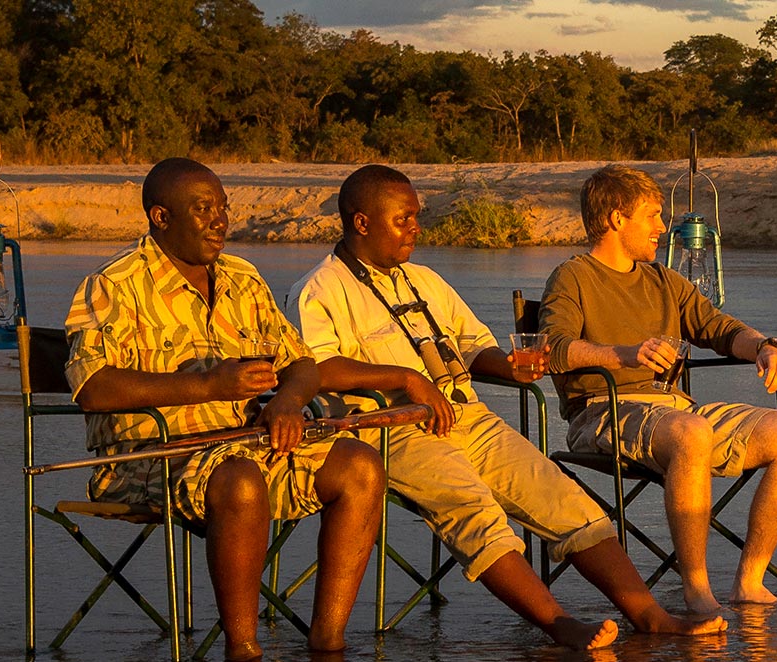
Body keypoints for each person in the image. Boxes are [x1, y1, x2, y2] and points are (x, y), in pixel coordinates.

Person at [285, 165, 723, 648]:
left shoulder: (424, 281)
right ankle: (558, 624)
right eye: (403, 219)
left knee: (563, 498)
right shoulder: (319, 289)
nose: (416, 228)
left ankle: (650, 614)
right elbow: (315, 370)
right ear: (361, 223)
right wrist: (407, 379)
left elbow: (473, 349)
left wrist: (511, 367)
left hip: (468, 417)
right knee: (472, 507)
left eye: (416, 217)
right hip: (391, 428)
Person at [63, 157, 384, 661]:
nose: (220, 221)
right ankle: (244, 648)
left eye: (223, 208)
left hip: (247, 447)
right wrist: (210, 384)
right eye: (203, 209)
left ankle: (329, 644)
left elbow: (301, 362)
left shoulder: (243, 278)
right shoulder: (113, 283)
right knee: (239, 481)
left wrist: (286, 402)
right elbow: (94, 389)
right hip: (147, 457)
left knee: (360, 465)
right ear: (161, 217)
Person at [539, 164, 777, 613]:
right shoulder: (573, 276)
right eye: (651, 215)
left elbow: (718, 328)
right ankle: (697, 590)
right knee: (690, 432)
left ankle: (749, 581)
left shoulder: (663, 280)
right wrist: (623, 354)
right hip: (603, 411)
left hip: (676, 411)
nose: (662, 227)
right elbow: (552, 348)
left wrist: (765, 347)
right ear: (615, 218)